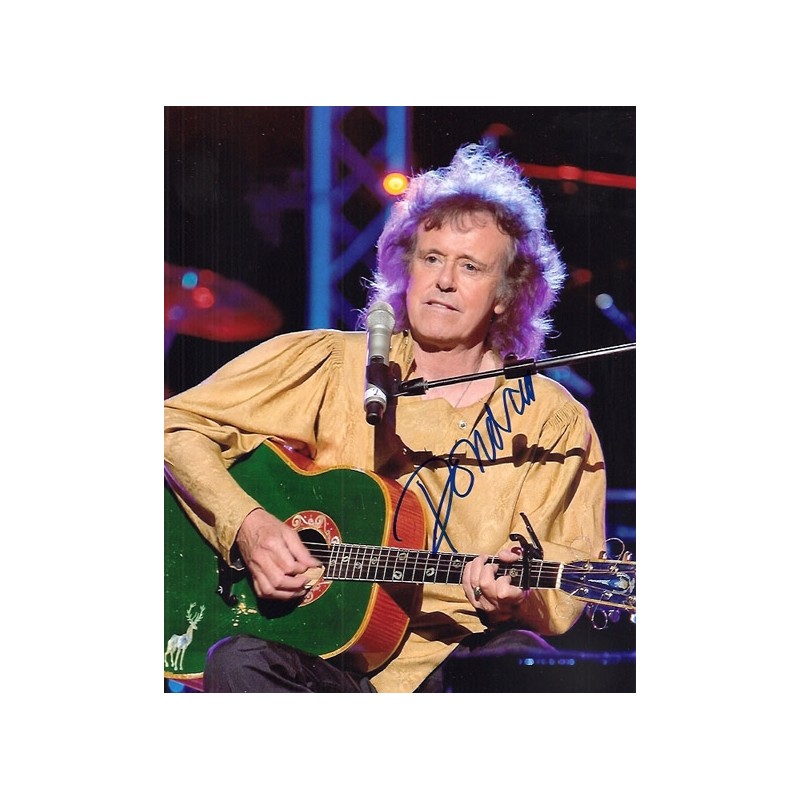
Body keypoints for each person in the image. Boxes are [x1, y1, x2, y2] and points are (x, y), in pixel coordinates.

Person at [163, 142, 607, 692]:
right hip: (319, 651)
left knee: (522, 664)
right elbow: (173, 425)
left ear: (505, 294)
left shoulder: (550, 422)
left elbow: (561, 591)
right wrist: (248, 527)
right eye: (432, 258)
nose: (445, 280)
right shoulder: (334, 365)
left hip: (452, 657)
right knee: (237, 660)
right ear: (407, 269)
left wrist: (514, 597)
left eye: (470, 267)